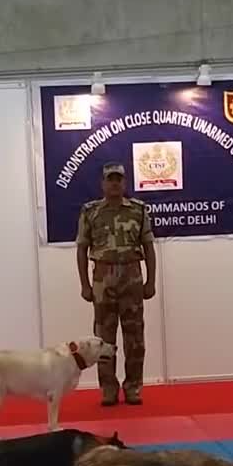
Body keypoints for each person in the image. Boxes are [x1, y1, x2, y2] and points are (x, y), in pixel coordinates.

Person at [75, 162, 157, 406]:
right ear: (102, 183)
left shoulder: (139, 210)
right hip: (102, 277)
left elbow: (149, 248)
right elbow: (81, 249)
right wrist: (84, 284)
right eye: (110, 179)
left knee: (135, 338)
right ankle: (108, 389)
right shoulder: (90, 211)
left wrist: (151, 281)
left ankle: (133, 387)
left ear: (125, 183)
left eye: (118, 179)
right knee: (103, 338)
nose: (114, 183)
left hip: (131, 276)